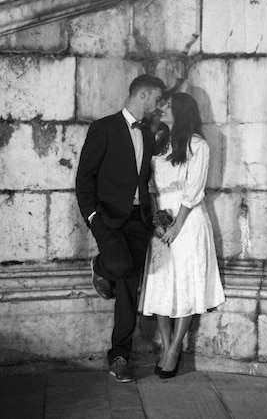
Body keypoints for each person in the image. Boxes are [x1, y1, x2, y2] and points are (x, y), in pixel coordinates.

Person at [76, 73, 166, 383]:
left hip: (138, 221)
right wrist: (91, 217)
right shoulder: (103, 128)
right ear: (142, 95)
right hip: (108, 219)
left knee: (128, 292)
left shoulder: (148, 132)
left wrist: (153, 216)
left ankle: (119, 356)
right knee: (118, 264)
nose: (157, 106)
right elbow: (84, 177)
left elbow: (148, 177)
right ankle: (100, 267)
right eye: (155, 100)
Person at [139, 92, 225, 379]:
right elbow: (150, 186)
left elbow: (194, 190)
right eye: (161, 104)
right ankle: (165, 343)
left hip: (188, 221)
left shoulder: (198, 146)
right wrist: (156, 220)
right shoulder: (159, 142)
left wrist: (177, 226)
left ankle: (176, 348)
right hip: (162, 218)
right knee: (160, 282)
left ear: (181, 111)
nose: (161, 108)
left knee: (186, 282)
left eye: (167, 105)